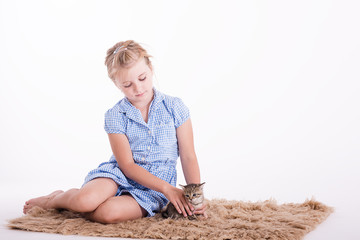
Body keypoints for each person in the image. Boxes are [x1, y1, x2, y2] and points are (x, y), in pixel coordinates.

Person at [23, 40, 206, 223]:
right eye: (127, 85)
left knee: (107, 214)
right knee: (84, 201)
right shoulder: (116, 115)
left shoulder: (175, 107)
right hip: (120, 174)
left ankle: (99, 204)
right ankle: (56, 199)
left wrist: (196, 199)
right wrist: (168, 188)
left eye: (142, 78)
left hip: (154, 188)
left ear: (151, 69)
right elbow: (127, 165)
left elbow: (188, 156)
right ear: (116, 84)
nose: (138, 88)